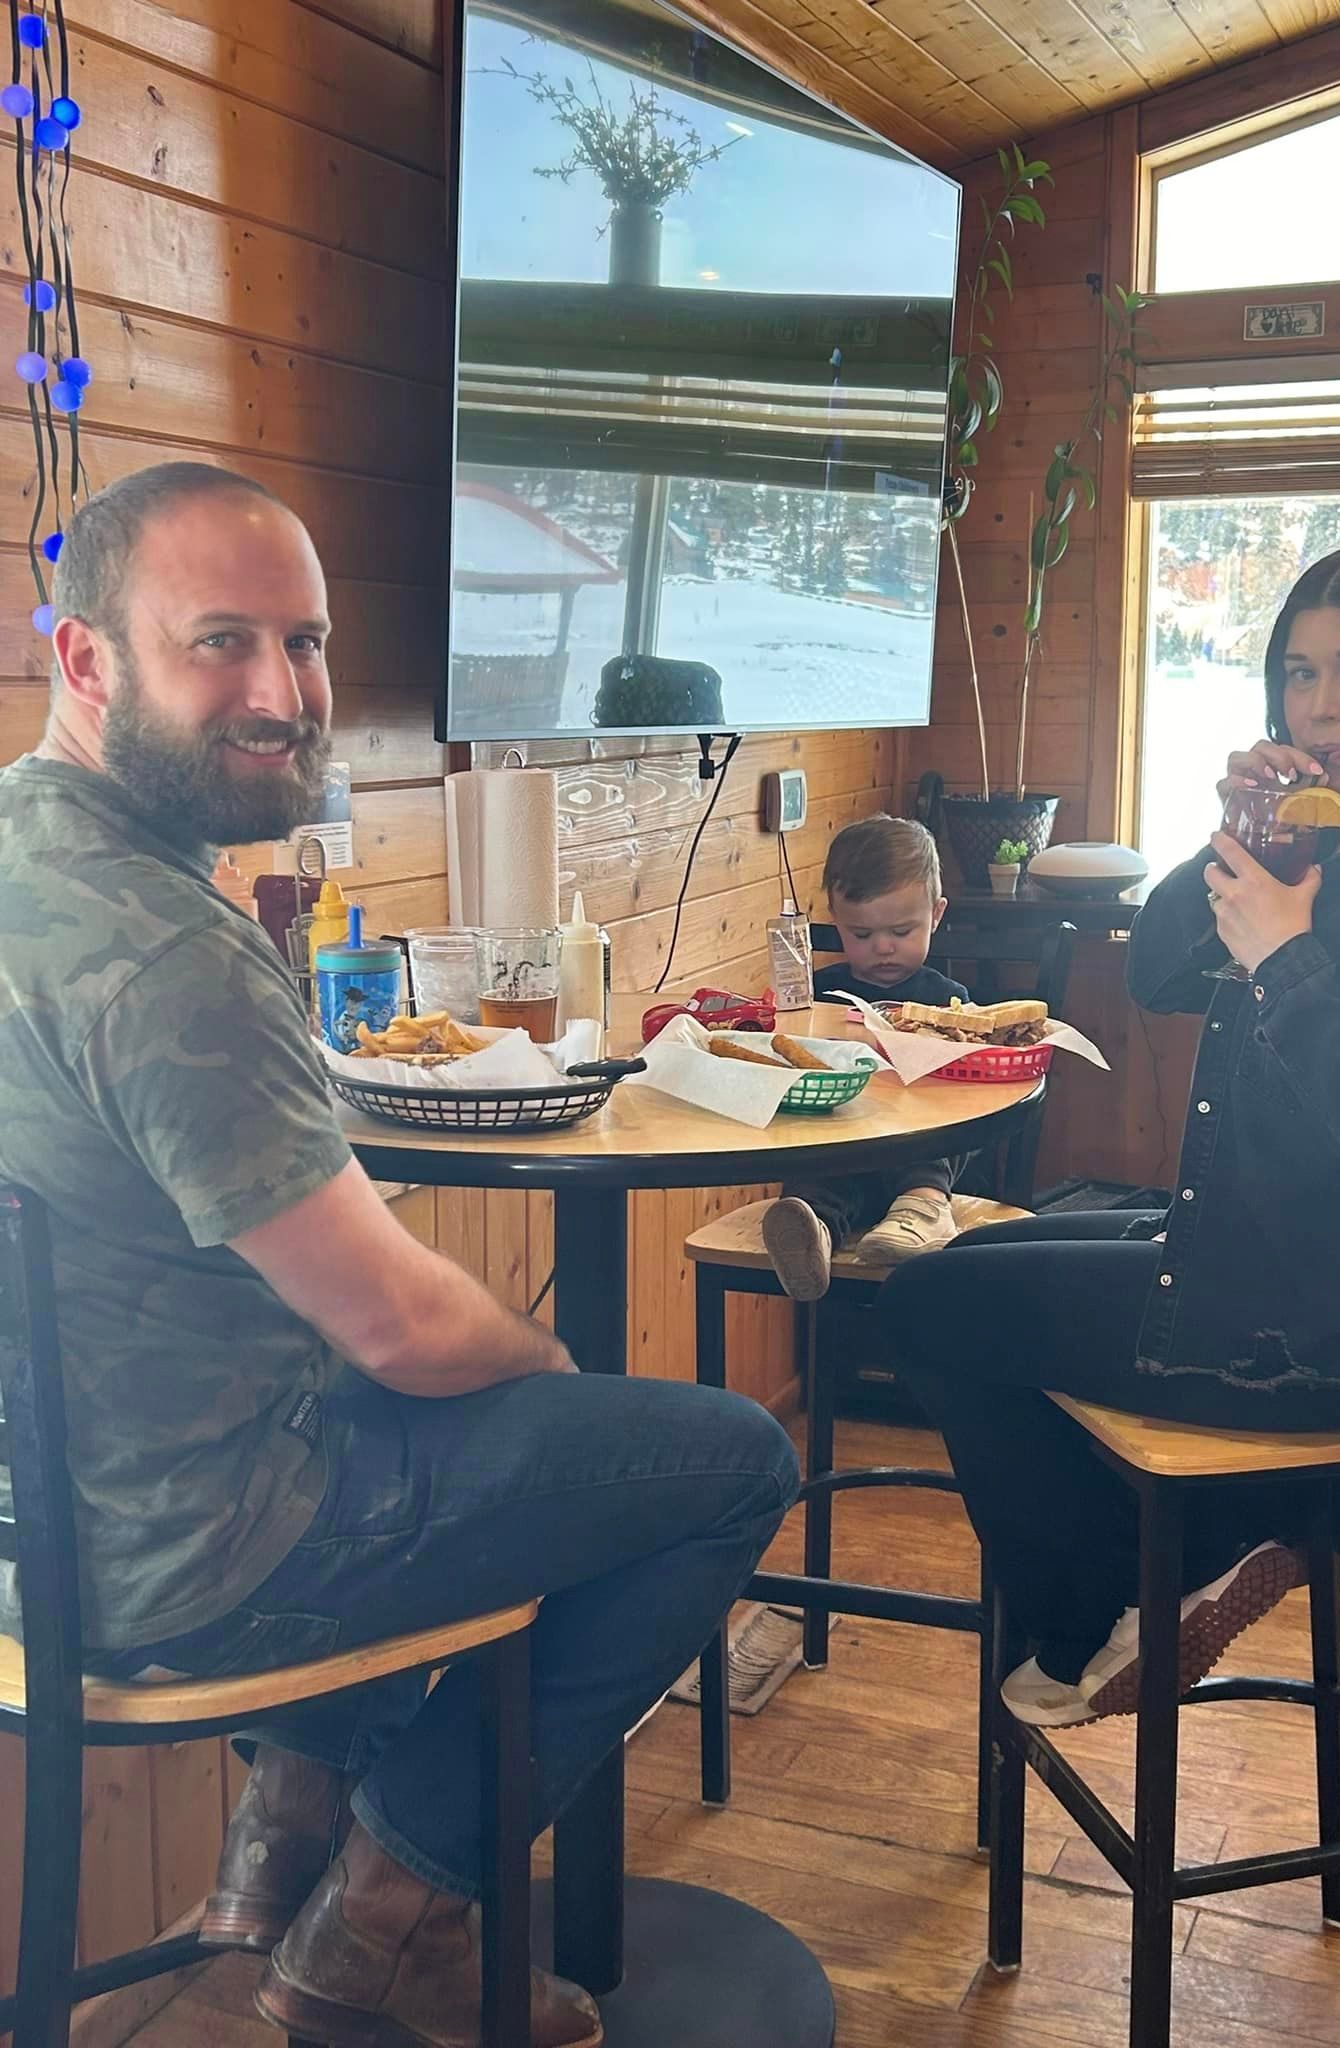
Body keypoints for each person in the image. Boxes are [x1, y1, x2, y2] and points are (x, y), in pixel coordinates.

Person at [0, 462, 800, 2048]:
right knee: (721, 1462)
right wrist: (548, 1372)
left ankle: (265, 1869)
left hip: (45, 1534)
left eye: (300, 644)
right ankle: (393, 1907)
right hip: (190, 1556)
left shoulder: (35, 863)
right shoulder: (164, 948)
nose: (280, 692)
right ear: (85, 662)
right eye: (218, 640)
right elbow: (407, 1333)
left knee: (435, 1419)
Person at [876, 538, 1340, 1729]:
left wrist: (1289, 955)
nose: (1321, 706)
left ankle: (1119, 1600)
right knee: (960, 1265)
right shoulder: (1336, 835)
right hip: (1255, 1257)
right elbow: (1170, 971)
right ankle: (1192, 1555)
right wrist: (1246, 828)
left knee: (928, 1307)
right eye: (1297, 672)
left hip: (1329, 1330)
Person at [761, 815, 967, 1299]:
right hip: (844, 1146)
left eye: (901, 930)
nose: (882, 947)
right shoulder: (821, 997)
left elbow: (969, 1094)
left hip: (917, 1151)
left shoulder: (951, 1003)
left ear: (936, 914)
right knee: (814, 1170)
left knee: (936, 1138)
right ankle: (811, 1235)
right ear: (834, 917)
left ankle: (922, 1210)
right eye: (861, 934)